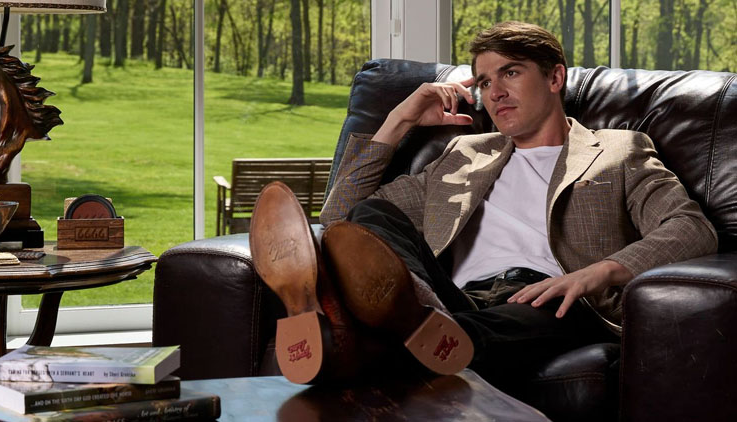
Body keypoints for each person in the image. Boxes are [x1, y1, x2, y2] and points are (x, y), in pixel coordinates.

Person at [249, 21, 718, 395]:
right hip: (447, 297)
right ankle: (408, 322)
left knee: (499, 320)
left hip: (550, 301)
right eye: (485, 81)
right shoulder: (463, 154)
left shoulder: (621, 149)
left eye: (511, 72)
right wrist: (400, 119)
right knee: (373, 219)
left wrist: (598, 273)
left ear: (555, 77)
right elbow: (340, 218)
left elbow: (690, 228)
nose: (495, 92)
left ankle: (346, 332)